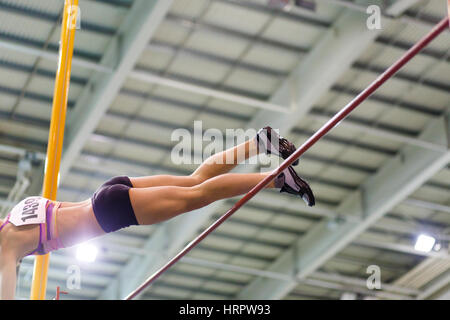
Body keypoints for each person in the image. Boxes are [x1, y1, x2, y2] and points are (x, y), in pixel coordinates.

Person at [0, 127, 314, 299]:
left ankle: (276, 179)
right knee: (196, 181)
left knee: (198, 196)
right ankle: (258, 144)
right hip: (107, 192)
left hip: (109, 212)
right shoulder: (15, 215)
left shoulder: (6, 247)